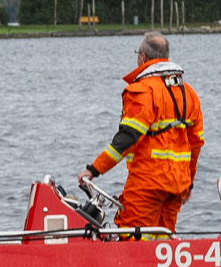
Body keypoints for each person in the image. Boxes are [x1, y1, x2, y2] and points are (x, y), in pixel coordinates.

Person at [79, 31, 204, 233]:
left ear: (143, 57)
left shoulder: (143, 91)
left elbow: (127, 139)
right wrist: (189, 183)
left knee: (131, 237)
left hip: (148, 185)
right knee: (163, 243)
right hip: (177, 187)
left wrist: (93, 170)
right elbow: (196, 143)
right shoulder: (189, 93)